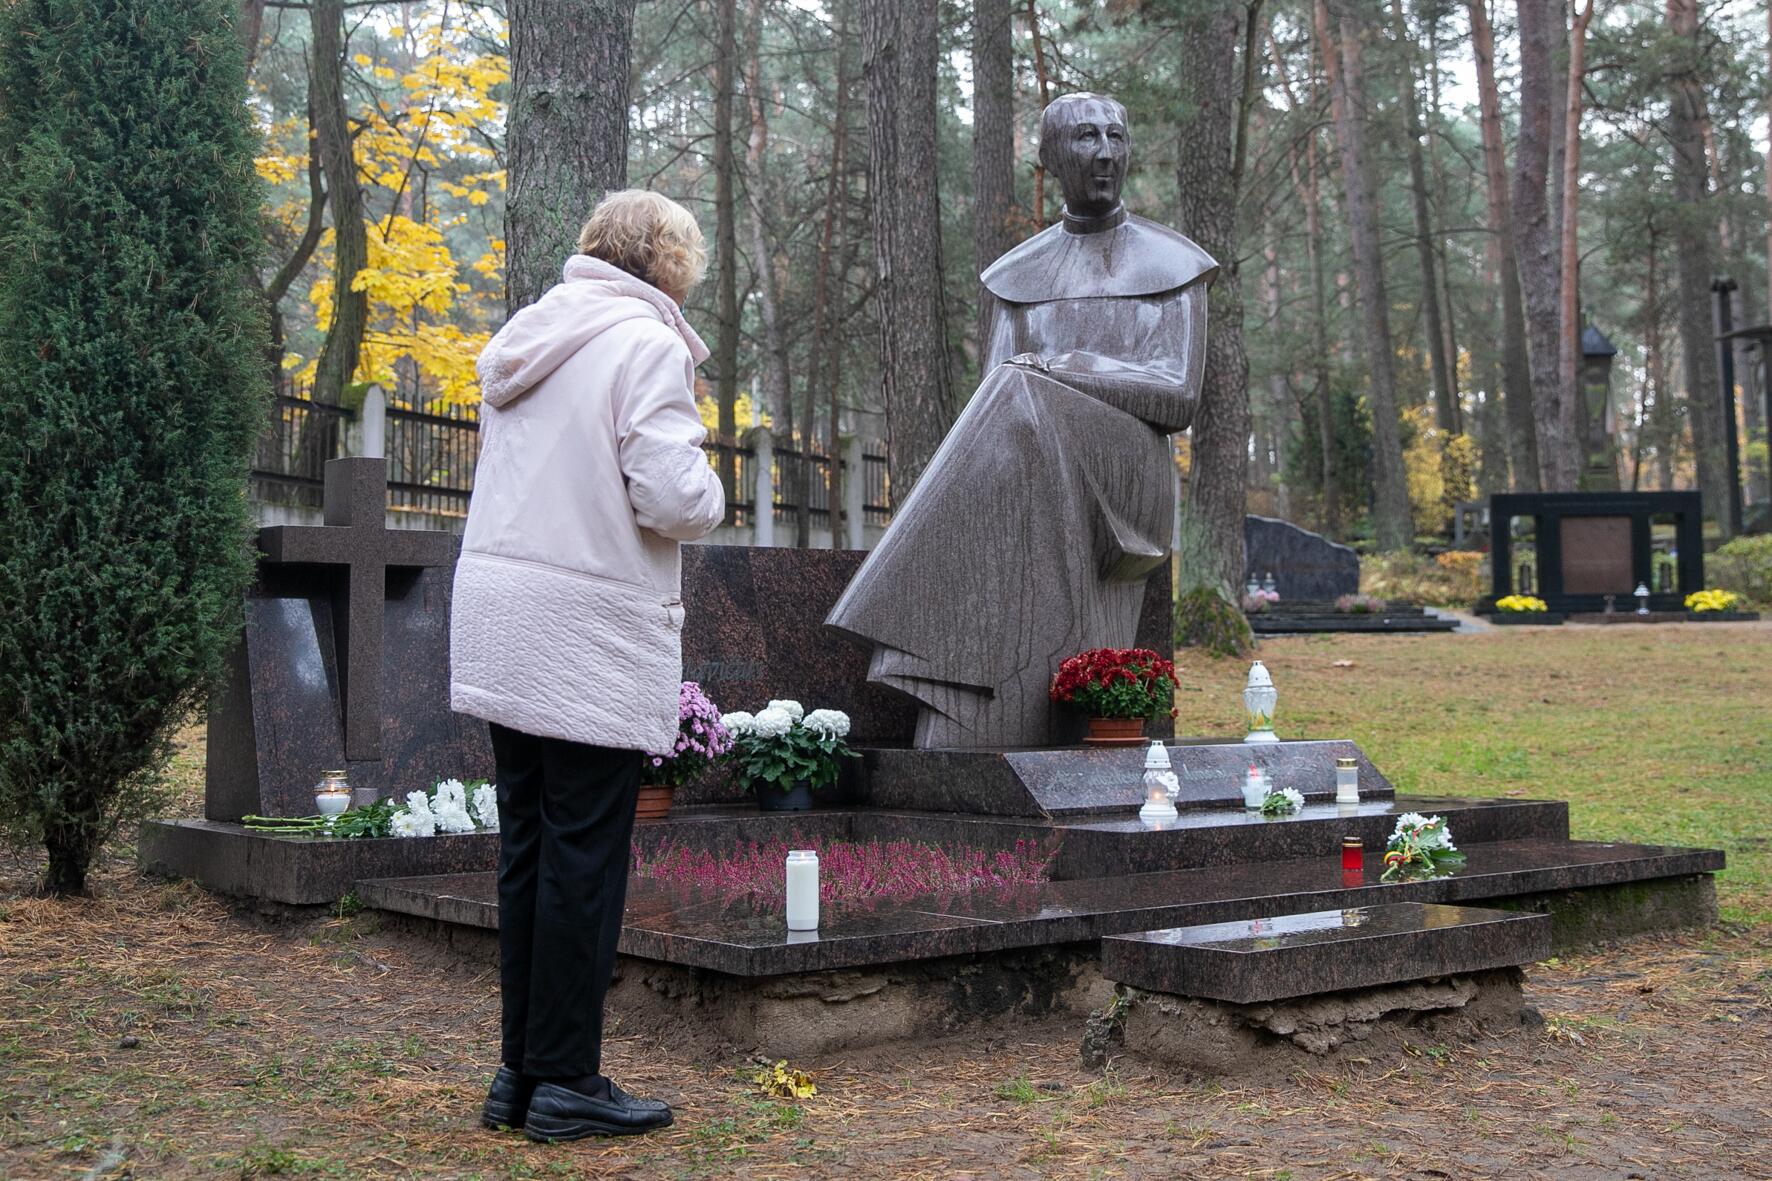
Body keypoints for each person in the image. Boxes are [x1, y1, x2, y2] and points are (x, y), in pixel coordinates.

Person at [449, 190, 724, 1142]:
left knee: (527, 847)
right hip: (586, 624)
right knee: (583, 857)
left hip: (504, 613)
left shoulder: (531, 335)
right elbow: (672, 496)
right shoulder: (643, 344)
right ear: (666, 262)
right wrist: (714, 483)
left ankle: (520, 1074)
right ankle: (566, 1079)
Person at [826, 93, 1215, 750]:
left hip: (1130, 480)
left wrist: (1067, 364)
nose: (1104, 153)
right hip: (1039, 454)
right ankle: (969, 693)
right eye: (1086, 138)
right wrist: (1043, 377)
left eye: (1116, 137)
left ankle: (931, 661)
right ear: (1050, 157)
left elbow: (1178, 396)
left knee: (1023, 393)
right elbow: (998, 404)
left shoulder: (1175, 263)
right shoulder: (1017, 275)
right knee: (1015, 402)